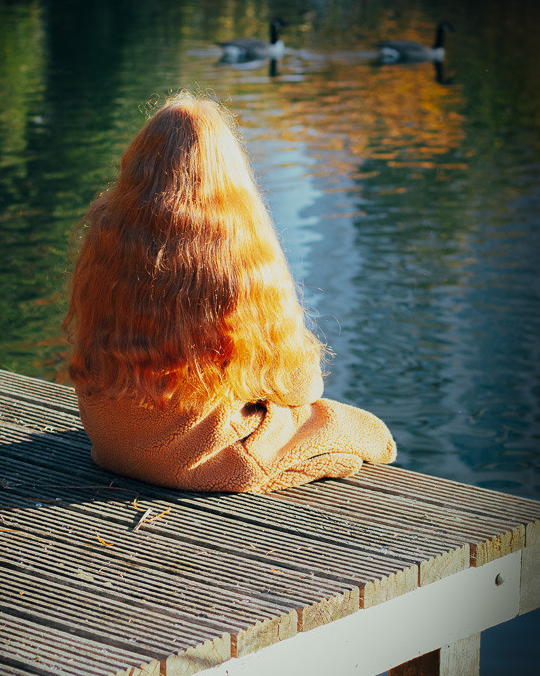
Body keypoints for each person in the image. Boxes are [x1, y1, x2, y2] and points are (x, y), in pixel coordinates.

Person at [63, 92, 396, 493]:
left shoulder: (105, 237)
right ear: (229, 172)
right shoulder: (240, 255)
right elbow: (298, 386)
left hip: (112, 445)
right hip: (195, 460)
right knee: (363, 431)